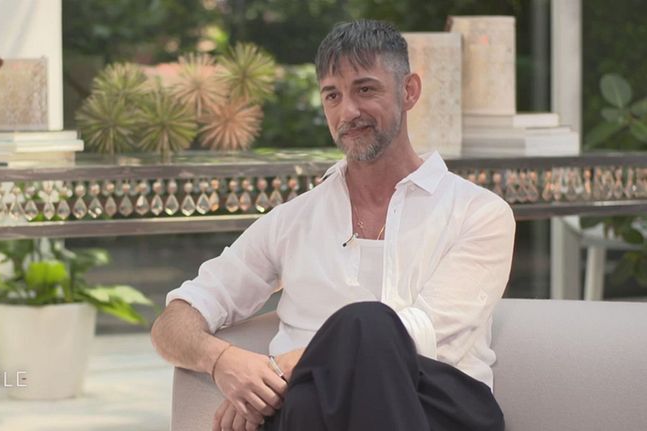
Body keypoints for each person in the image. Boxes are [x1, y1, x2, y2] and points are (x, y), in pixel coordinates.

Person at [151, 19, 515, 431]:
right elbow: (172, 324)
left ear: (409, 90)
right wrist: (223, 361)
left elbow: (423, 334)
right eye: (332, 95)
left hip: (437, 405)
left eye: (365, 90)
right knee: (315, 395)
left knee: (368, 324)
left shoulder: (479, 212)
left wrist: (284, 367)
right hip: (313, 410)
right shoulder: (292, 220)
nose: (348, 112)